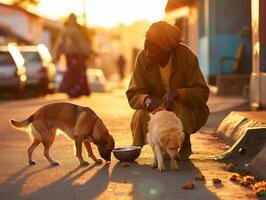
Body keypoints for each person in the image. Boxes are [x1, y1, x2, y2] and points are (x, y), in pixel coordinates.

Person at [126, 21, 210, 160]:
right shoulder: (142, 58)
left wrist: (178, 93)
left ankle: (183, 142)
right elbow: (133, 93)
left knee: (180, 110)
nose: (147, 54)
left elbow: (202, 92)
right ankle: (141, 148)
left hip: (184, 107)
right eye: (145, 48)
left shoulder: (186, 56)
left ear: (167, 50)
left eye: (152, 50)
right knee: (140, 114)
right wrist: (146, 100)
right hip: (156, 106)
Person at [53, 13, 91, 98]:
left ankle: (72, 91)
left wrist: (56, 55)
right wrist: (88, 52)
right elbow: (82, 44)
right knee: (77, 73)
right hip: (76, 56)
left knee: (72, 73)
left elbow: (59, 44)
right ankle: (75, 91)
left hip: (71, 56)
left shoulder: (65, 31)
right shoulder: (76, 31)